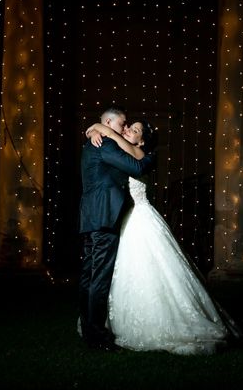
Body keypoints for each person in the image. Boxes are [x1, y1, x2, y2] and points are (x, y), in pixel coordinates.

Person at [85, 119, 243, 355]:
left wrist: (102, 128)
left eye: (135, 130)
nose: (128, 130)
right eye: (128, 127)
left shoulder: (139, 153)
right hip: (122, 218)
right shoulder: (121, 150)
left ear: (142, 141)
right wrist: (94, 129)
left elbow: (126, 153)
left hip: (139, 218)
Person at [78, 105, 155, 351]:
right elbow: (137, 167)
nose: (124, 129)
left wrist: (97, 128)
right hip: (103, 216)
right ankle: (97, 337)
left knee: (89, 276)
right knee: (98, 278)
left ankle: (89, 330)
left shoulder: (95, 141)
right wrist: (101, 131)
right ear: (110, 124)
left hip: (91, 215)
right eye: (122, 125)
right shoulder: (105, 144)